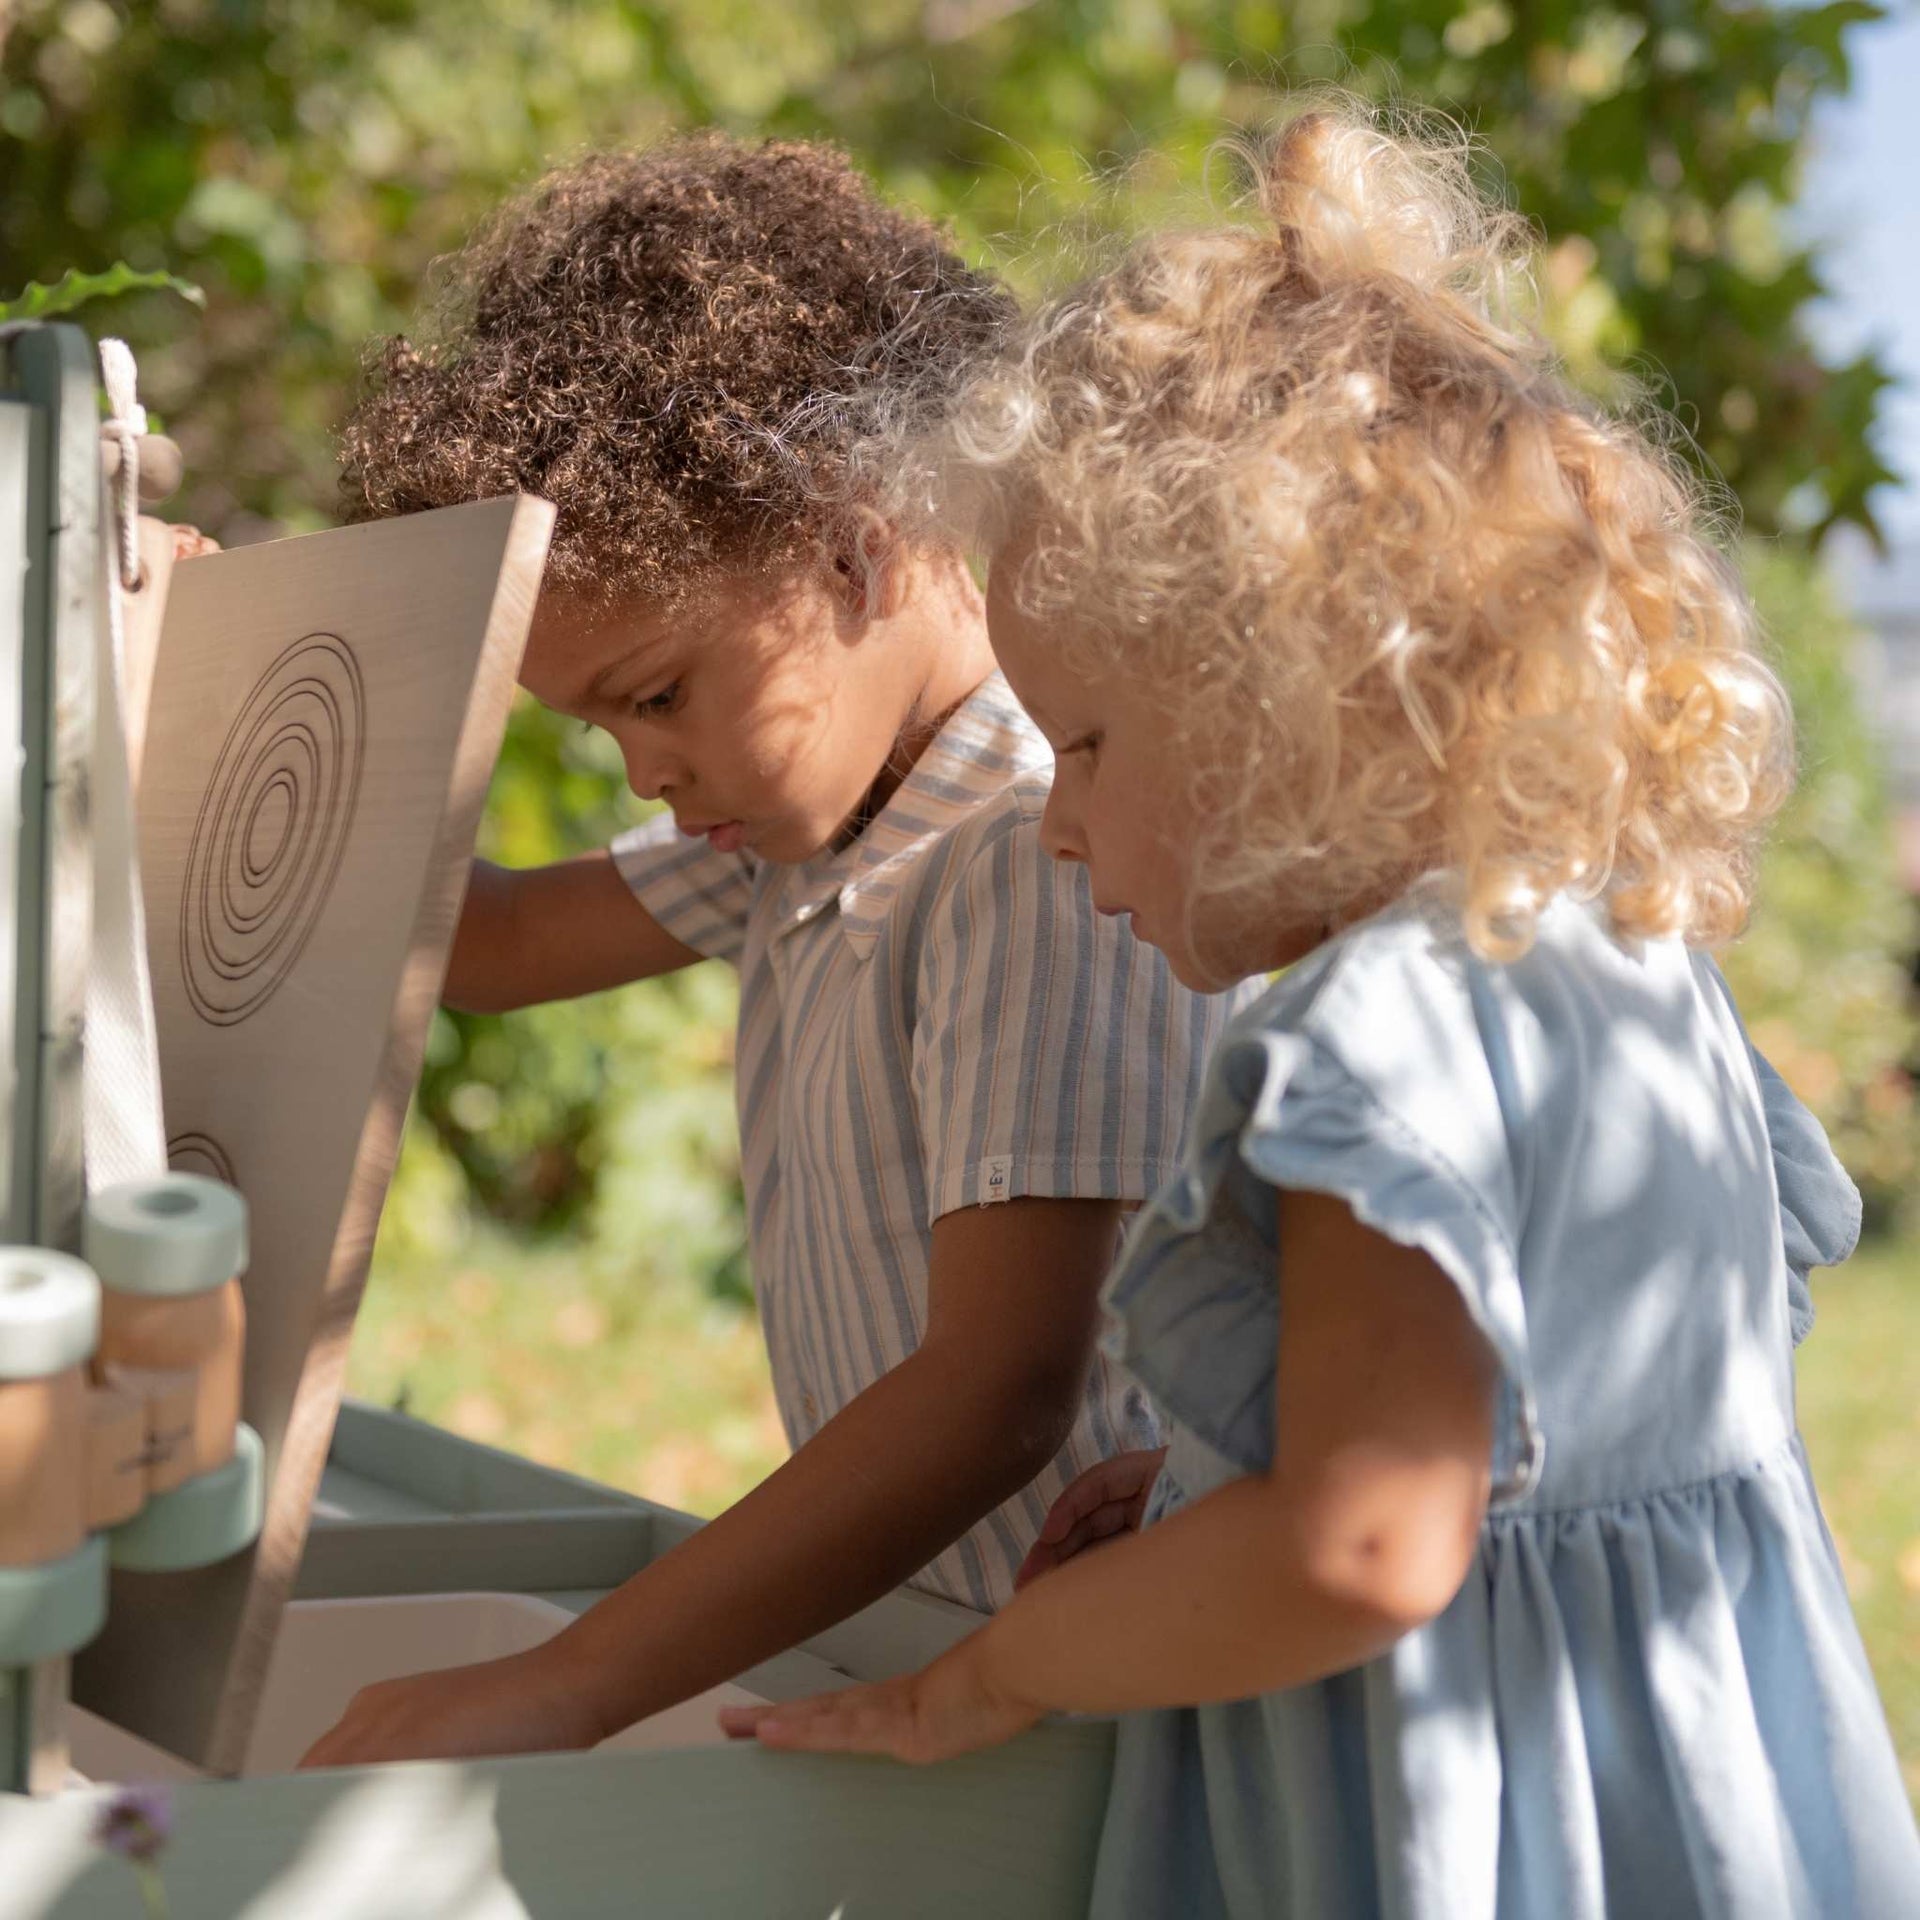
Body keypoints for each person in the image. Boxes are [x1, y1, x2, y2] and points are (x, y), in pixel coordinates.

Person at [721, 106, 1920, 1916]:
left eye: (1094, 746)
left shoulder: (1374, 1043)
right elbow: (1550, 1419)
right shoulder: (1626, 964)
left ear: (1289, 691)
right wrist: (1217, 1479)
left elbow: (1368, 1545)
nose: (1055, 819)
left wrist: (1002, 1669)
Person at [300, 134, 1249, 1768]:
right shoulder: (812, 828)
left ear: (859, 535)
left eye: (657, 693)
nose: (643, 772)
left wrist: (573, 1682)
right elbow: (498, 942)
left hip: (1075, 1705)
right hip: (929, 1653)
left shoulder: (1024, 853)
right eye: (597, 721)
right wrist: (180, 683)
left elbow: (997, 1390)